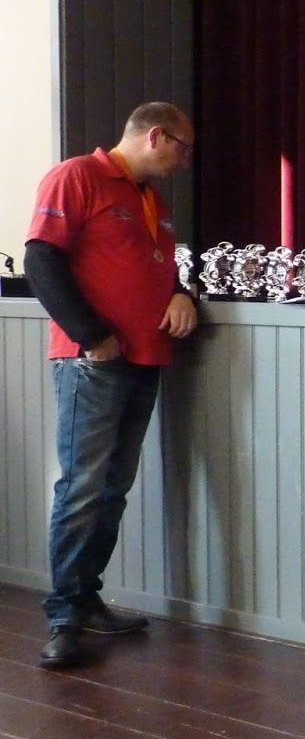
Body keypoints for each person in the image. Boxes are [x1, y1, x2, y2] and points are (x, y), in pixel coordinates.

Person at [24, 103, 198, 670]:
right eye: (182, 147)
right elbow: (40, 259)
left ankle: (85, 598)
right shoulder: (77, 176)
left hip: (144, 358)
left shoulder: (151, 199)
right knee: (82, 486)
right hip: (93, 361)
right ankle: (63, 617)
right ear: (156, 136)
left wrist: (182, 294)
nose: (184, 160)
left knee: (112, 487)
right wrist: (92, 336)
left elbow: (156, 267)